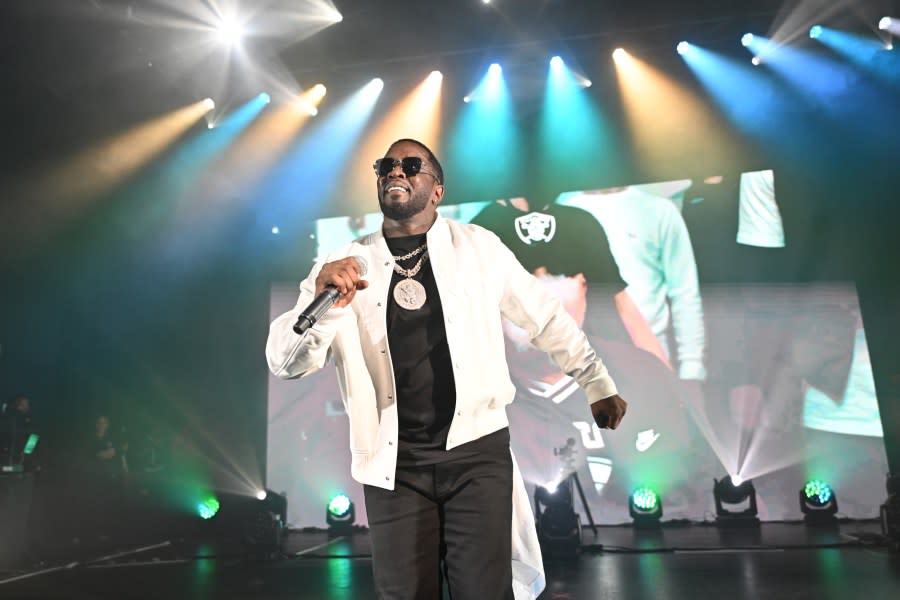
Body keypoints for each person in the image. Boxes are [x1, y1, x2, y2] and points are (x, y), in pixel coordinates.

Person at [266, 139, 627, 599]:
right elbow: (286, 363)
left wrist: (596, 380)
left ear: (437, 190)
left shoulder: (478, 248)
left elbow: (546, 318)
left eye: (411, 165)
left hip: (476, 454)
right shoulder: (344, 264)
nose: (396, 171)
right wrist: (327, 303)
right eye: (387, 166)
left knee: (484, 591)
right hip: (393, 464)